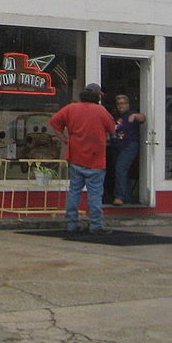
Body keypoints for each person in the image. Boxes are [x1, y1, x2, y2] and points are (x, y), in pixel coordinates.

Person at [50, 84, 116, 234]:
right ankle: (96, 225)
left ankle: (71, 224)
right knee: (95, 194)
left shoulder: (71, 108)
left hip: (75, 156)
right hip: (96, 159)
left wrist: (64, 139)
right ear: (98, 96)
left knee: (74, 191)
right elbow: (112, 129)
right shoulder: (101, 110)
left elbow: (54, 122)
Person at [111, 94, 146, 205]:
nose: (120, 106)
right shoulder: (115, 116)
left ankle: (119, 197)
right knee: (122, 172)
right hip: (117, 146)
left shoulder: (131, 114)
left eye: (123, 103)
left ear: (128, 104)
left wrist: (136, 116)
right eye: (118, 104)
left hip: (130, 146)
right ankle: (127, 199)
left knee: (120, 168)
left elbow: (143, 118)